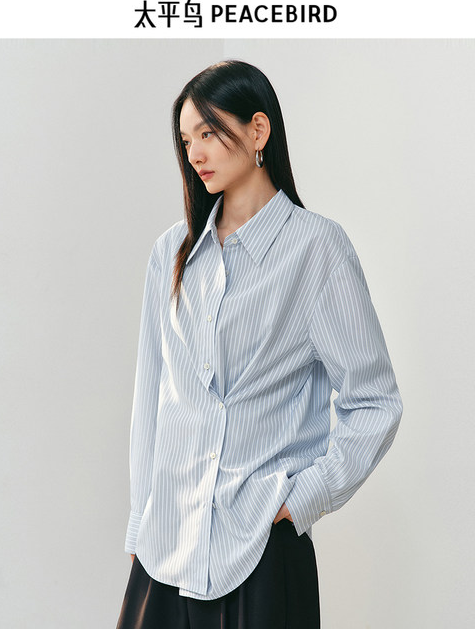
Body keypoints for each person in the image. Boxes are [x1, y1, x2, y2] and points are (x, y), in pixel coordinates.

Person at [116, 59, 403, 629]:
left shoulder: (317, 250)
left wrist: (302, 498)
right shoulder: (171, 253)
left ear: (257, 130)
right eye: (186, 141)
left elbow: (375, 402)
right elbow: (153, 398)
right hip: (165, 551)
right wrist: (140, 523)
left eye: (208, 133)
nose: (195, 154)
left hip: (260, 553)